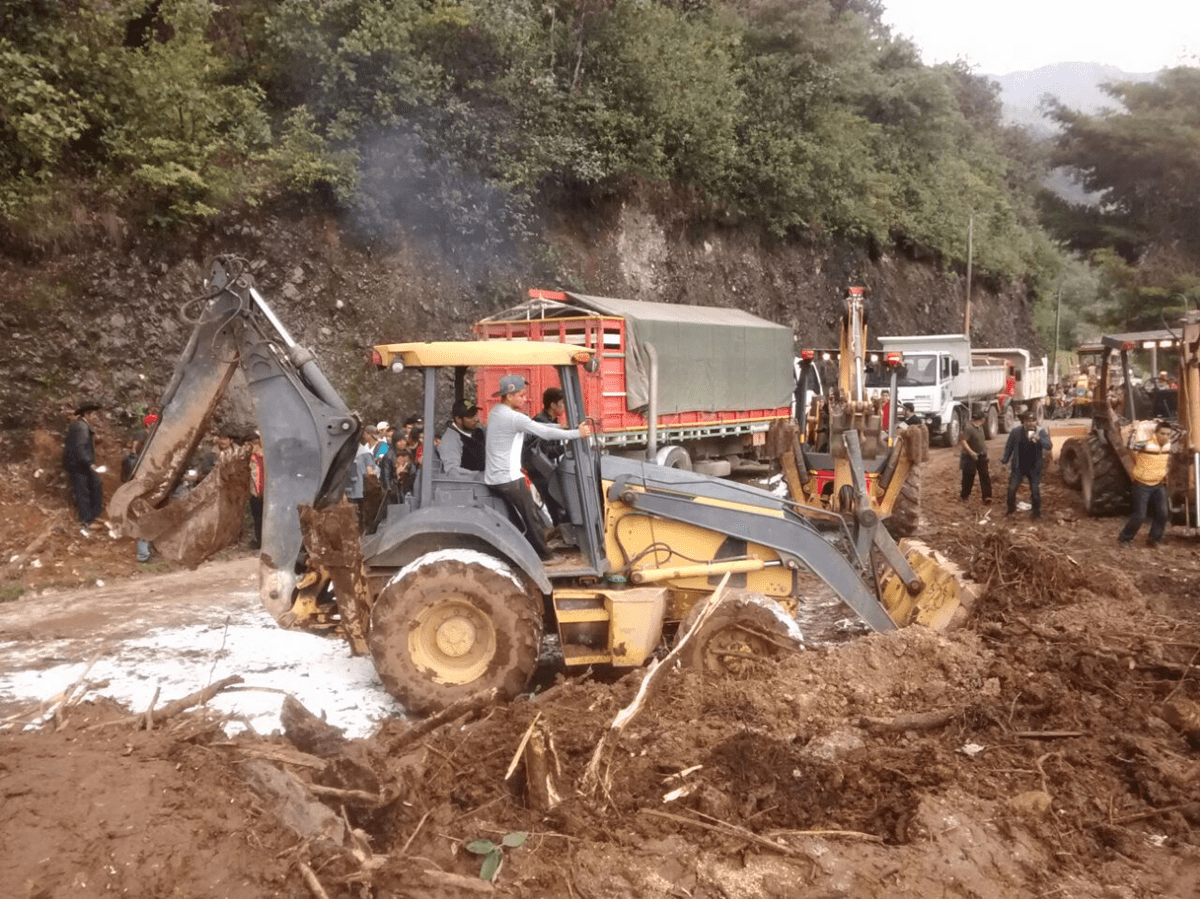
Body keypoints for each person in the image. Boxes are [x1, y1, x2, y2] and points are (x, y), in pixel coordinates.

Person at [484, 374, 591, 560]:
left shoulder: (496, 412)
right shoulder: (513, 417)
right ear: (509, 396)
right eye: (521, 395)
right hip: (507, 478)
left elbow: (537, 427)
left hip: (497, 476)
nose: (525, 399)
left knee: (529, 514)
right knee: (531, 517)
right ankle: (544, 556)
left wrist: (563, 428)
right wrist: (577, 433)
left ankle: (539, 542)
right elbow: (543, 432)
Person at [1118, 420, 1175, 548]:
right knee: (1140, 516)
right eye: (1162, 433)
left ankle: (1154, 539)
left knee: (1163, 514)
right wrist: (1134, 429)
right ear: (1156, 433)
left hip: (1159, 484)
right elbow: (1130, 446)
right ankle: (1124, 539)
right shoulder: (1145, 445)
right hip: (1141, 485)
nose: (1165, 436)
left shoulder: (1169, 445)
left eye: (1167, 434)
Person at [524, 387, 570, 524]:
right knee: (557, 503)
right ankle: (558, 526)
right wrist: (564, 448)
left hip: (549, 468)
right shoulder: (541, 423)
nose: (563, 407)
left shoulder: (552, 421)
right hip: (541, 472)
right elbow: (544, 452)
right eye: (561, 403)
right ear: (553, 405)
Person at [63, 400, 105, 535]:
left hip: (80, 464)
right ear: (87, 414)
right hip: (78, 465)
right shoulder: (81, 427)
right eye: (94, 414)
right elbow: (80, 447)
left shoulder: (83, 426)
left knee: (95, 486)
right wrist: (89, 463)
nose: (96, 417)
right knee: (84, 492)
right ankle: (87, 522)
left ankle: (93, 517)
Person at [1000, 411, 1052, 519]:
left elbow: (1049, 446)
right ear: (1024, 422)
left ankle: (1036, 513)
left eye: (1033, 421)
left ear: (1036, 422)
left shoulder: (1040, 431)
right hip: (1019, 466)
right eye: (1029, 421)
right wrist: (1005, 459)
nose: (1031, 424)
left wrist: (1039, 439)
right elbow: (1009, 447)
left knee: (1035, 491)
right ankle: (1010, 510)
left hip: (1034, 467)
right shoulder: (1016, 432)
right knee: (1012, 489)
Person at [437, 400, 486, 477]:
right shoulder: (450, 439)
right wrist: (480, 475)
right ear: (458, 419)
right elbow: (452, 470)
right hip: (470, 485)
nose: (476, 419)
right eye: (470, 416)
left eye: (475, 414)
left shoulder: (478, 431)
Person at [958, 410, 992, 504]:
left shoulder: (980, 427)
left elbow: (982, 442)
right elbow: (963, 441)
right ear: (981, 419)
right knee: (969, 476)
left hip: (981, 455)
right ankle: (965, 496)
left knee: (985, 475)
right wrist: (971, 452)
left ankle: (987, 496)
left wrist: (986, 452)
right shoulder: (969, 428)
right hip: (969, 456)